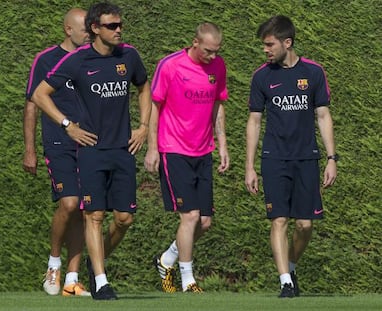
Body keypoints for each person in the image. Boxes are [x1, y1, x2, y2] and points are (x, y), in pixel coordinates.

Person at [31, 1, 151, 300]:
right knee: (93, 215)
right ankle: (100, 280)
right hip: (91, 151)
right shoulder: (77, 60)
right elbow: (39, 95)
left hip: (123, 150)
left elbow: (144, 87)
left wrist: (144, 126)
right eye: (112, 26)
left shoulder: (130, 55)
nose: (118, 30)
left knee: (124, 219)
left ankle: (93, 260)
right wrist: (67, 124)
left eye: (120, 25)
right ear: (95, 29)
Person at [244, 15, 338, 298]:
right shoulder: (261, 76)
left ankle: (291, 266)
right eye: (264, 45)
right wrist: (250, 166)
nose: (265, 50)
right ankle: (285, 281)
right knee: (279, 221)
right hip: (274, 159)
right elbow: (254, 121)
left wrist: (331, 158)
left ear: (288, 42)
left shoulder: (313, 73)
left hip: (307, 159)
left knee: (305, 224)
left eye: (270, 44)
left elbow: (323, 115)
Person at [144, 22, 229, 293]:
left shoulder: (218, 67)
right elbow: (154, 107)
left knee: (204, 222)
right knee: (190, 216)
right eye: (207, 51)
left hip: (203, 150)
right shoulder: (170, 65)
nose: (212, 57)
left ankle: (167, 258)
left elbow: (218, 106)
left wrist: (223, 145)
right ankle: (187, 280)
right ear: (194, 42)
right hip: (174, 149)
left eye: (216, 51)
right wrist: (152, 147)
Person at [23, 8, 91, 297]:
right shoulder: (46, 59)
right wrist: (29, 150)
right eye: (85, 29)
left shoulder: (94, 59)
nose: (90, 33)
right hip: (58, 142)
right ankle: (54, 264)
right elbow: (32, 105)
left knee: (84, 209)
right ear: (68, 29)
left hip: (89, 143)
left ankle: (72, 281)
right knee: (69, 203)